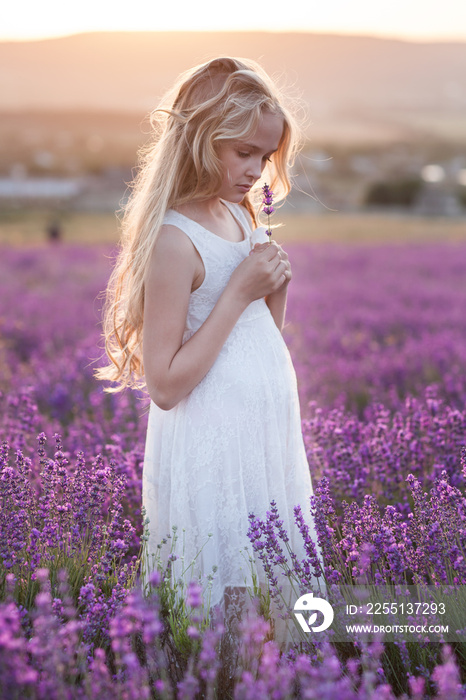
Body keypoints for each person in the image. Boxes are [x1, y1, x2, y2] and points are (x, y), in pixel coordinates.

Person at [96, 56, 322, 646]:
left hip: (263, 432)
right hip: (214, 440)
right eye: (243, 152)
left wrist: (274, 289)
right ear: (200, 139)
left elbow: (259, 336)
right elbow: (167, 386)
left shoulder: (236, 214)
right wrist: (239, 290)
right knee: (228, 610)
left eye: (266, 157)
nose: (256, 170)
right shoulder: (175, 239)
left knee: (275, 605)